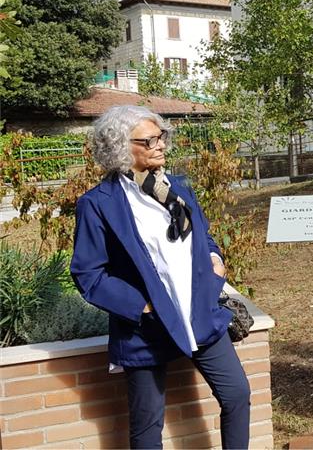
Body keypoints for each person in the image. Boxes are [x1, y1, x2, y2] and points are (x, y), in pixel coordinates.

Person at [70, 105, 251, 449]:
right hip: (146, 329)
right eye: (150, 139)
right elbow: (88, 273)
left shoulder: (178, 188)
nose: (161, 145)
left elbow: (203, 235)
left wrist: (214, 257)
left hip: (200, 312)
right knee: (147, 423)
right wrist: (142, 306)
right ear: (121, 148)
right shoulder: (97, 204)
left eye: (161, 136)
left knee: (237, 394)